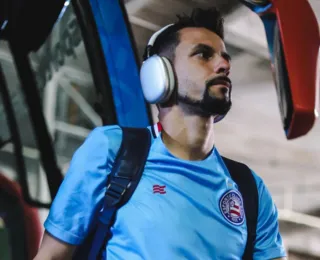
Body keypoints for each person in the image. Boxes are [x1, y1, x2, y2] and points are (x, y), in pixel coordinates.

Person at [34, 7, 287, 260]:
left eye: (224, 58)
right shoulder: (112, 151)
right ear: (160, 75)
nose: (223, 65)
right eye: (203, 54)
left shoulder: (250, 190)